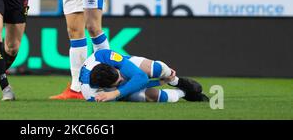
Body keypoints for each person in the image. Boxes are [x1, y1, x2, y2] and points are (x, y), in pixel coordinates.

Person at [80, 49, 209, 103]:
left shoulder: (103, 55)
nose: (123, 79)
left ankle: (175, 80)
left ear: (112, 66)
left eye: (119, 75)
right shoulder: (92, 95)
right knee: (153, 96)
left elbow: (140, 77)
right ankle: (184, 93)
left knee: (158, 68)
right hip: (113, 90)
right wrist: (158, 83)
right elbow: (136, 84)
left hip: (121, 75)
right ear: (105, 87)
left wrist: (115, 93)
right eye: (119, 82)